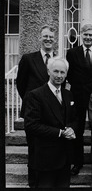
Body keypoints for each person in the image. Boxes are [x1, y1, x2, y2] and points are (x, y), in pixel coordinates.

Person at [24, 57, 78, 188]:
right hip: (45, 159)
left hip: (65, 157)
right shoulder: (35, 95)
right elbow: (31, 125)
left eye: (62, 72)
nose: (59, 75)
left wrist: (71, 128)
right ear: (48, 71)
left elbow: (74, 118)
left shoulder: (68, 94)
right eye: (56, 71)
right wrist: (60, 132)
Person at [16, 24, 58, 187]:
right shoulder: (28, 58)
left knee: (49, 147)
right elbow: (21, 84)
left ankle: (49, 180)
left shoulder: (57, 59)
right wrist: (31, 102)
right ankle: (33, 182)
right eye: (45, 36)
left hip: (52, 111)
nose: (48, 39)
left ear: (54, 40)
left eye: (51, 37)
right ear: (39, 38)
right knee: (34, 148)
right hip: (33, 111)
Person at [66, 24, 92, 175]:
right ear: (81, 36)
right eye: (86, 35)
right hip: (77, 96)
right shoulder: (72, 53)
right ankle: (77, 162)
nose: (88, 37)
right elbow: (69, 74)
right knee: (77, 129)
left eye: (91, 35)